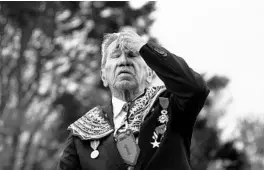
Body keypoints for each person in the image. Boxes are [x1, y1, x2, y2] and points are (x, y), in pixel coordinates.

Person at [57, 30, 210, 170]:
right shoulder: (83, 131)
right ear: (104, 76)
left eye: (132, 55)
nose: (124, 62)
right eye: (115, 56)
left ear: (149, 74)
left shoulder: (170, 104)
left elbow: (196, 89)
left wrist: (144, 47)